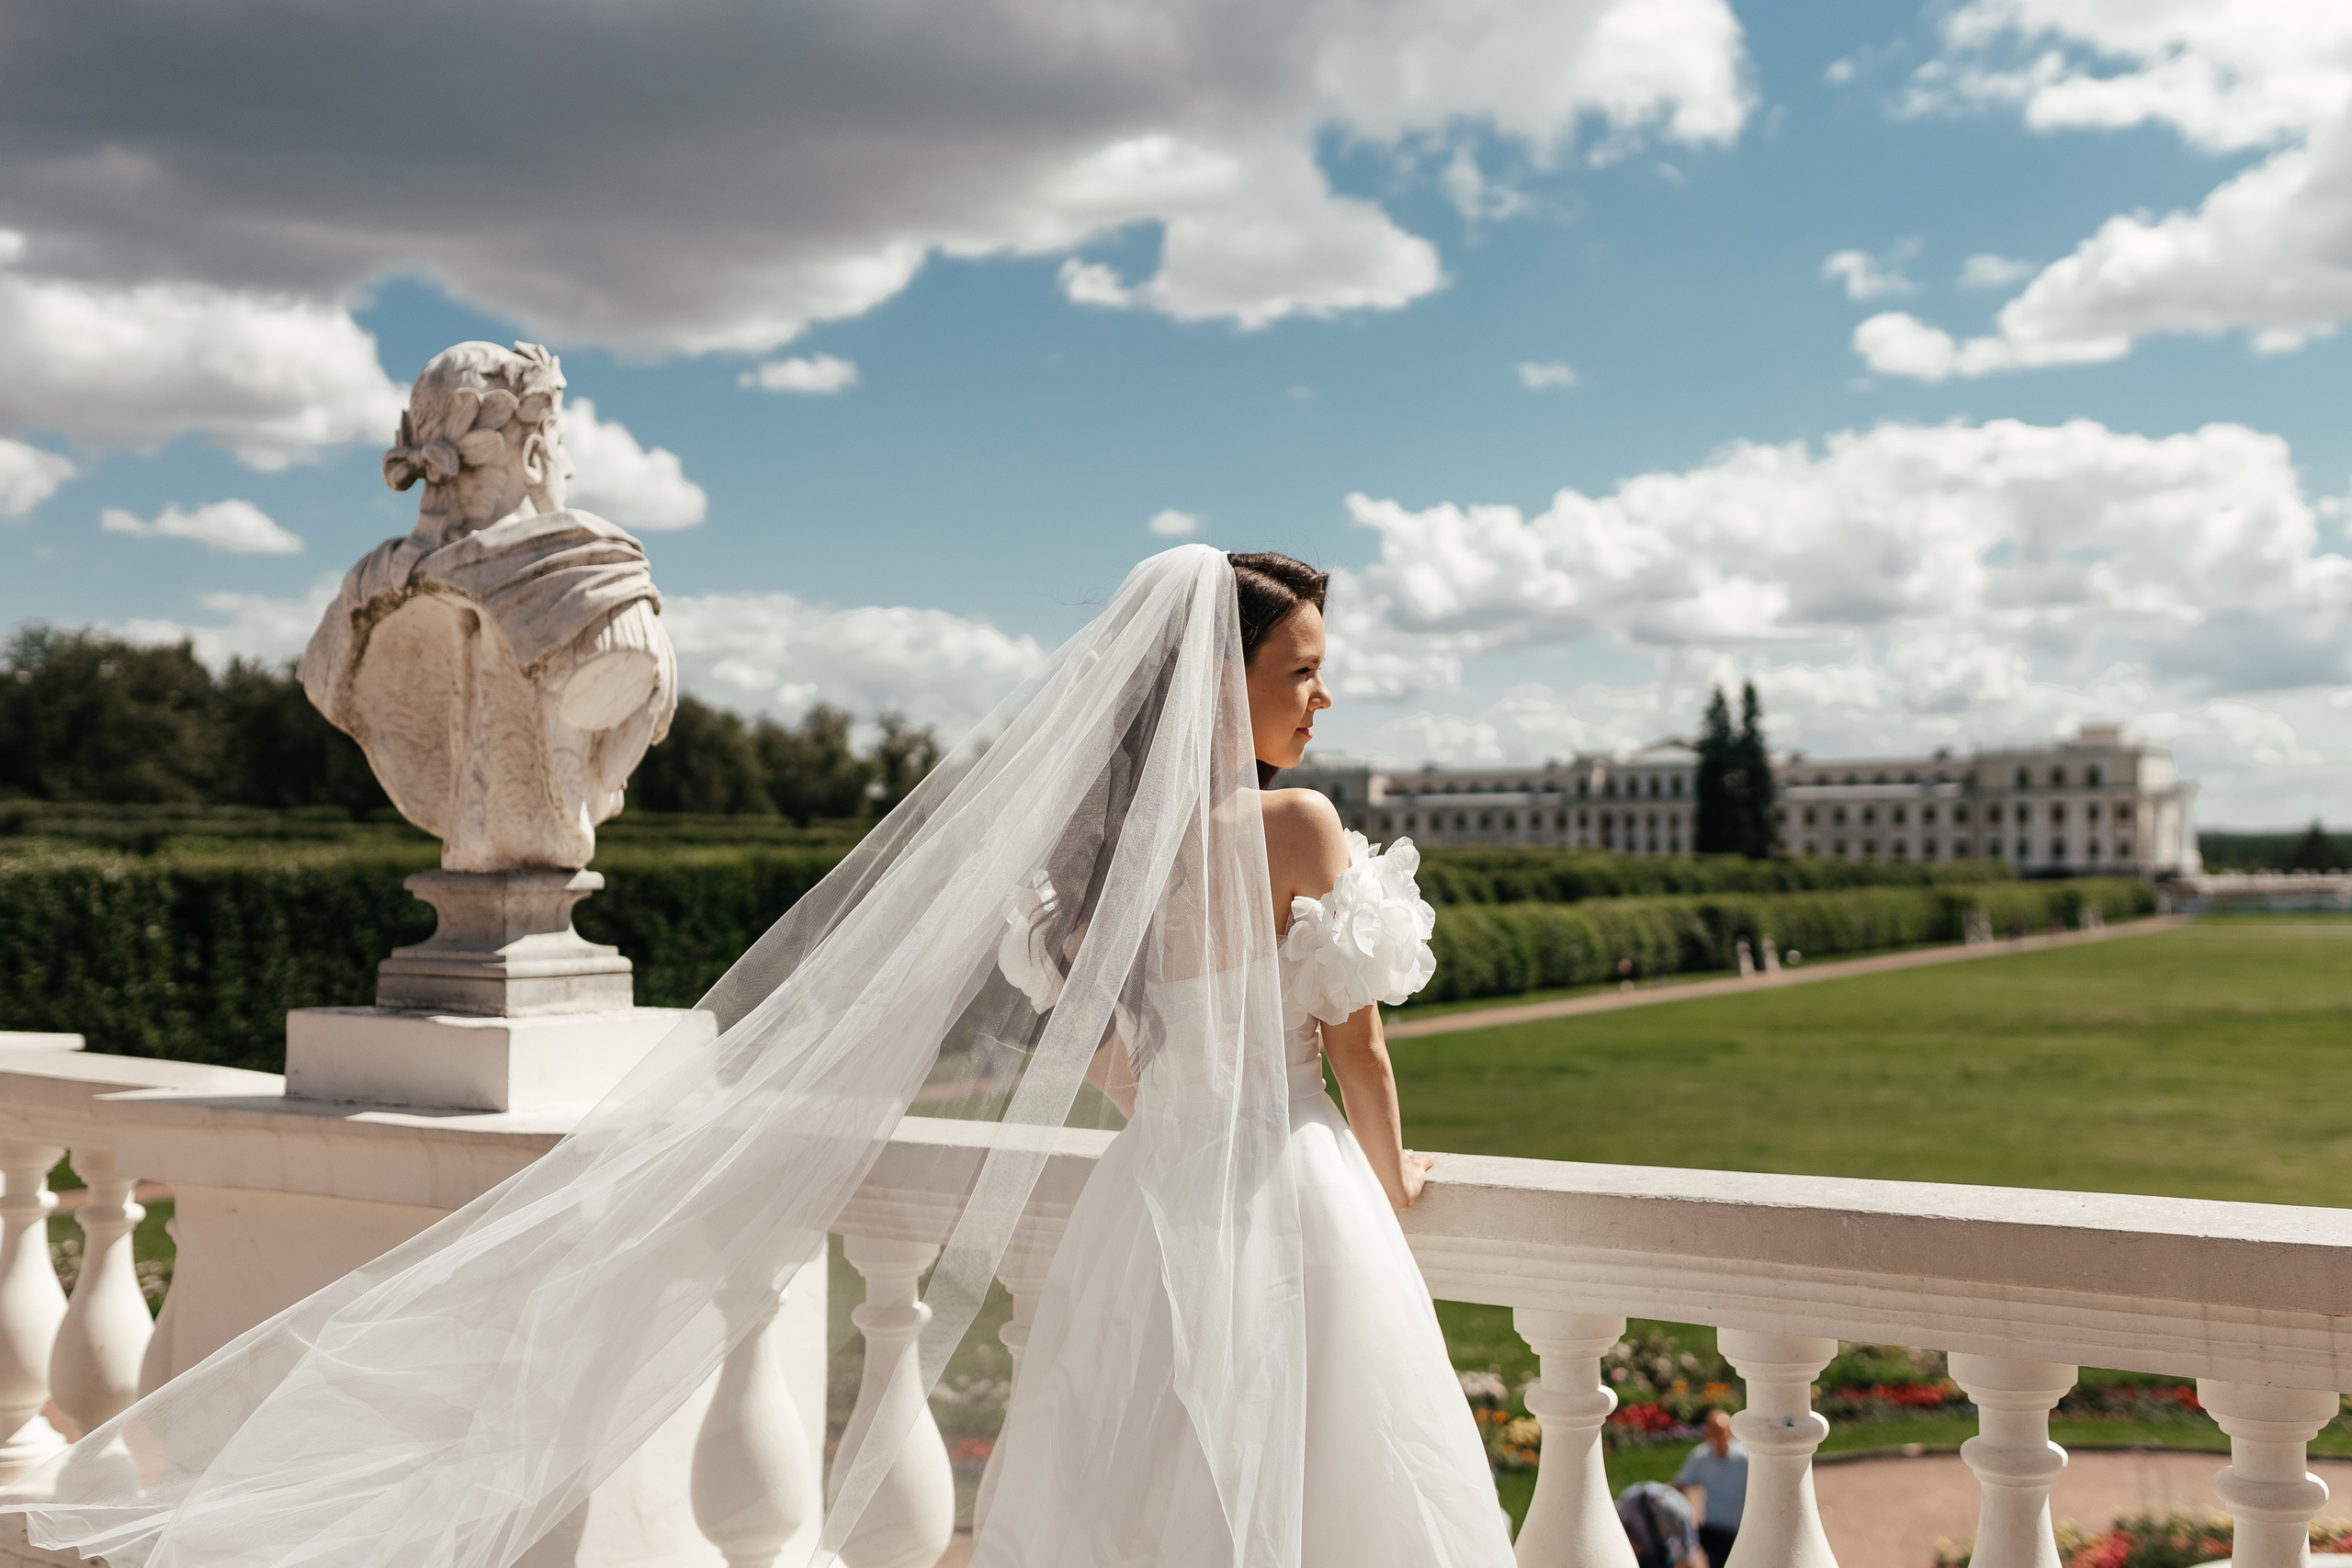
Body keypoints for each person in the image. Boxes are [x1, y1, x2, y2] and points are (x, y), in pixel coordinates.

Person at [1, 546, 1510, 1568]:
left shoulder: (1111, 857)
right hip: (1281, 1189)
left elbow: (1118, 1068)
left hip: (1147, 1203)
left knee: (1148, 1488)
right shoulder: (1301, 830)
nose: (1322, 693)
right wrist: (1384, 1182)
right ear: (1226, 679)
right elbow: (1361, 1053)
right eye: (1304, 668)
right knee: (1333, 1492)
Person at [1676, 1407, 1748, 1565]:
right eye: (1714, 1430)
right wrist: (1690, 1516)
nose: (1719, 1436)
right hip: (1715, 1531)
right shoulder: (1700, 1456)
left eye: (1722, 1431)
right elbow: (1680, 1484)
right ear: (1707, 1432)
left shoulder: (1745, 1458)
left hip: (1743, 1531)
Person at [1617, 1479, 1703, 1568]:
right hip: (1639, 1553)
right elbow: (1619, 1529)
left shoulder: (1682, 1517)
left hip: (1663, 1555)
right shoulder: (1631, 1502)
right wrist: (1638, 1551)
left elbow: (1687, 1557)